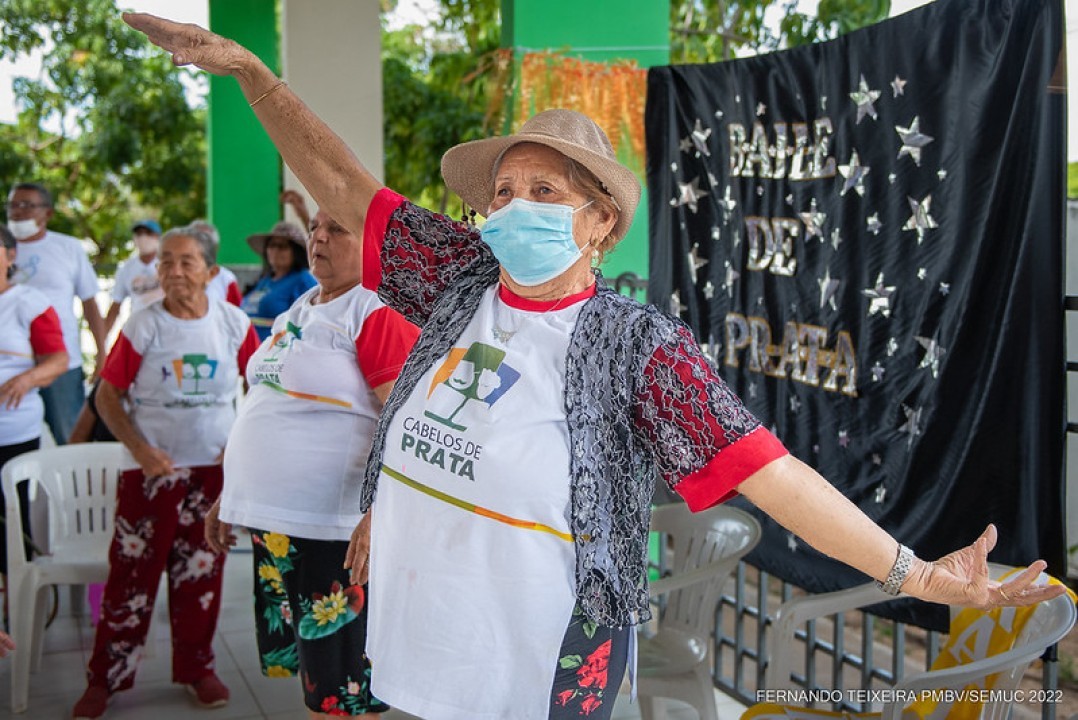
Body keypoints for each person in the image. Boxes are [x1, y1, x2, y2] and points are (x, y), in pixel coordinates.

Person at [124, 14, 1066, 720]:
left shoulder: (636, 346)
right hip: (422, 621)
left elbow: (770, 474)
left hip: (542, 642)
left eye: (545, 191)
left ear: (601, 222)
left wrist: (920, 576)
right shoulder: (457, 278)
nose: (513, 206)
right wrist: (252, 73)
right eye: (503, 191)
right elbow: (339, 181)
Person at [205, 207, 419, 719]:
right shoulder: (301, 306)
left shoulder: (375, 309)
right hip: (281, 524)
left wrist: (378, 512)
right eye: (315, 228)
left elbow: (408, 418)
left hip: (332, 529)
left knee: (340, 692)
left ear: (370, 243)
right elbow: (267, 401)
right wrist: (230, 493)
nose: (319, 237)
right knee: (319, 680)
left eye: (336, 227)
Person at [71, 224, 260, 720]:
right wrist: (140, 449)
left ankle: (197, 667)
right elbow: (107, 395)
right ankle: (104, 678)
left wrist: (238, 446)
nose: (173, 271)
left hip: (212, 475)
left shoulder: (235, 323)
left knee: (201, 572)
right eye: (166, 262)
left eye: (186, 262)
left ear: (211, 271)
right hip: (150, 470)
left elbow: (260, 392)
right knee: (131, 576)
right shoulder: (143, 324)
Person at [6, 182, 106, 445]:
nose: (17, 211)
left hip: (60, 362)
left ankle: (76, 488)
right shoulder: (2, 247)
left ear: (48, 213)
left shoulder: (68, 248)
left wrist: (101, 352)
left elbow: (90, 304)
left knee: (71, 437)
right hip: (11, 366)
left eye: (27, 205)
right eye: (13, 205)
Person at [0, 223, 68, 577]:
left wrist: (25, 379)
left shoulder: (29, 303)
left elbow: (58, 360)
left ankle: (18, 602)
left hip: (12, 430)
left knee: (13, 520)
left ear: (10, 257)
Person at [240, 220, 317, 340]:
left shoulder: (303, 280)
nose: (275, 251)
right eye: (272, 245)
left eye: (282, 247)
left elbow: (312, 320)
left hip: (276, 353)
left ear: (296, 252)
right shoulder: (264, 280)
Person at [104, 220, 164, 338]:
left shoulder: (168, 264)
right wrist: (101, 341)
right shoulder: (126, 269)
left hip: (165, 326)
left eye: (148, 233)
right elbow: (115, 305)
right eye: (139, 234)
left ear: (158, 237)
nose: (143, 237)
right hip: (139, 329)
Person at [189, 219, 243, 306]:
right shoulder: (173, 275)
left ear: (216, 248)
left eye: (205, 242)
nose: (199, 247)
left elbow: (237, 314)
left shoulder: (226, 279)